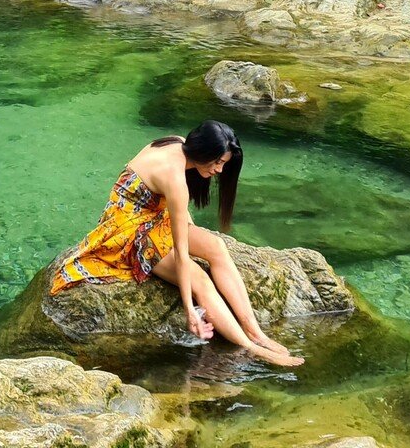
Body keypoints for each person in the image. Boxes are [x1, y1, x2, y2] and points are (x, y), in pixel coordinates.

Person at [50, 119, 304, 368]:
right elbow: (182, 255)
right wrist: (190, 309)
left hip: (153, 217)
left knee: (217, 247)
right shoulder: (174, 178)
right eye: (217, 162)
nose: (219, 170)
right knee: (201, 280)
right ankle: (251, 348)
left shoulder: (177, 143)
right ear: (203, 152)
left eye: (223, 163)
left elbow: (177, 213)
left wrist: (195, 236)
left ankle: (255, 331)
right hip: (128, 234)